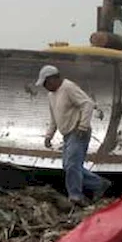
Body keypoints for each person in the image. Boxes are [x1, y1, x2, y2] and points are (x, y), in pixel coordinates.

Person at [36, 64, 110, 205]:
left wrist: (83, 125)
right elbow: (54, 118)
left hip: (78, 132)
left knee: (72, 166)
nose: (45, 86)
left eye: (46, 83)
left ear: (53, 79)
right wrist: (49, 135)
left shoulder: (68, 87)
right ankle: (99, 184)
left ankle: (75, 195)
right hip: (67, 135)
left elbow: (87, 104)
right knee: (69, 166)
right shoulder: (51, 95)